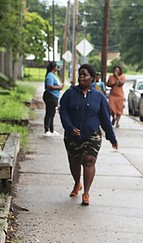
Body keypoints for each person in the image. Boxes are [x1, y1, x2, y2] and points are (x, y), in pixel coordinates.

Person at [59, 63, 119, 206]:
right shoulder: (69, 93)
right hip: (72, 135)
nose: (81, 77)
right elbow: (63, 112)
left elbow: (105, 119)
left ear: (92, 78)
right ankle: (77, 183)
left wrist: (112, 138)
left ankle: (86, 192)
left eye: (85, 75)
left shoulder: (98, 97)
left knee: (89, 160)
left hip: (92, 134)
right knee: (74, 162)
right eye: (80, 74)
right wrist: (69, 127)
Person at [43, 61, 64, 137]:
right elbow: (49, 86)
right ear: (53, 67)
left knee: (52, 113)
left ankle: (51, 129)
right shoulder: (50, 75)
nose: (57, 68)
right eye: (56, 66)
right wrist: (59, 87)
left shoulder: (53, 75)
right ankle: (46, 129)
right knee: (49, 112)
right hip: (50, 96)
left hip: (54, 96)